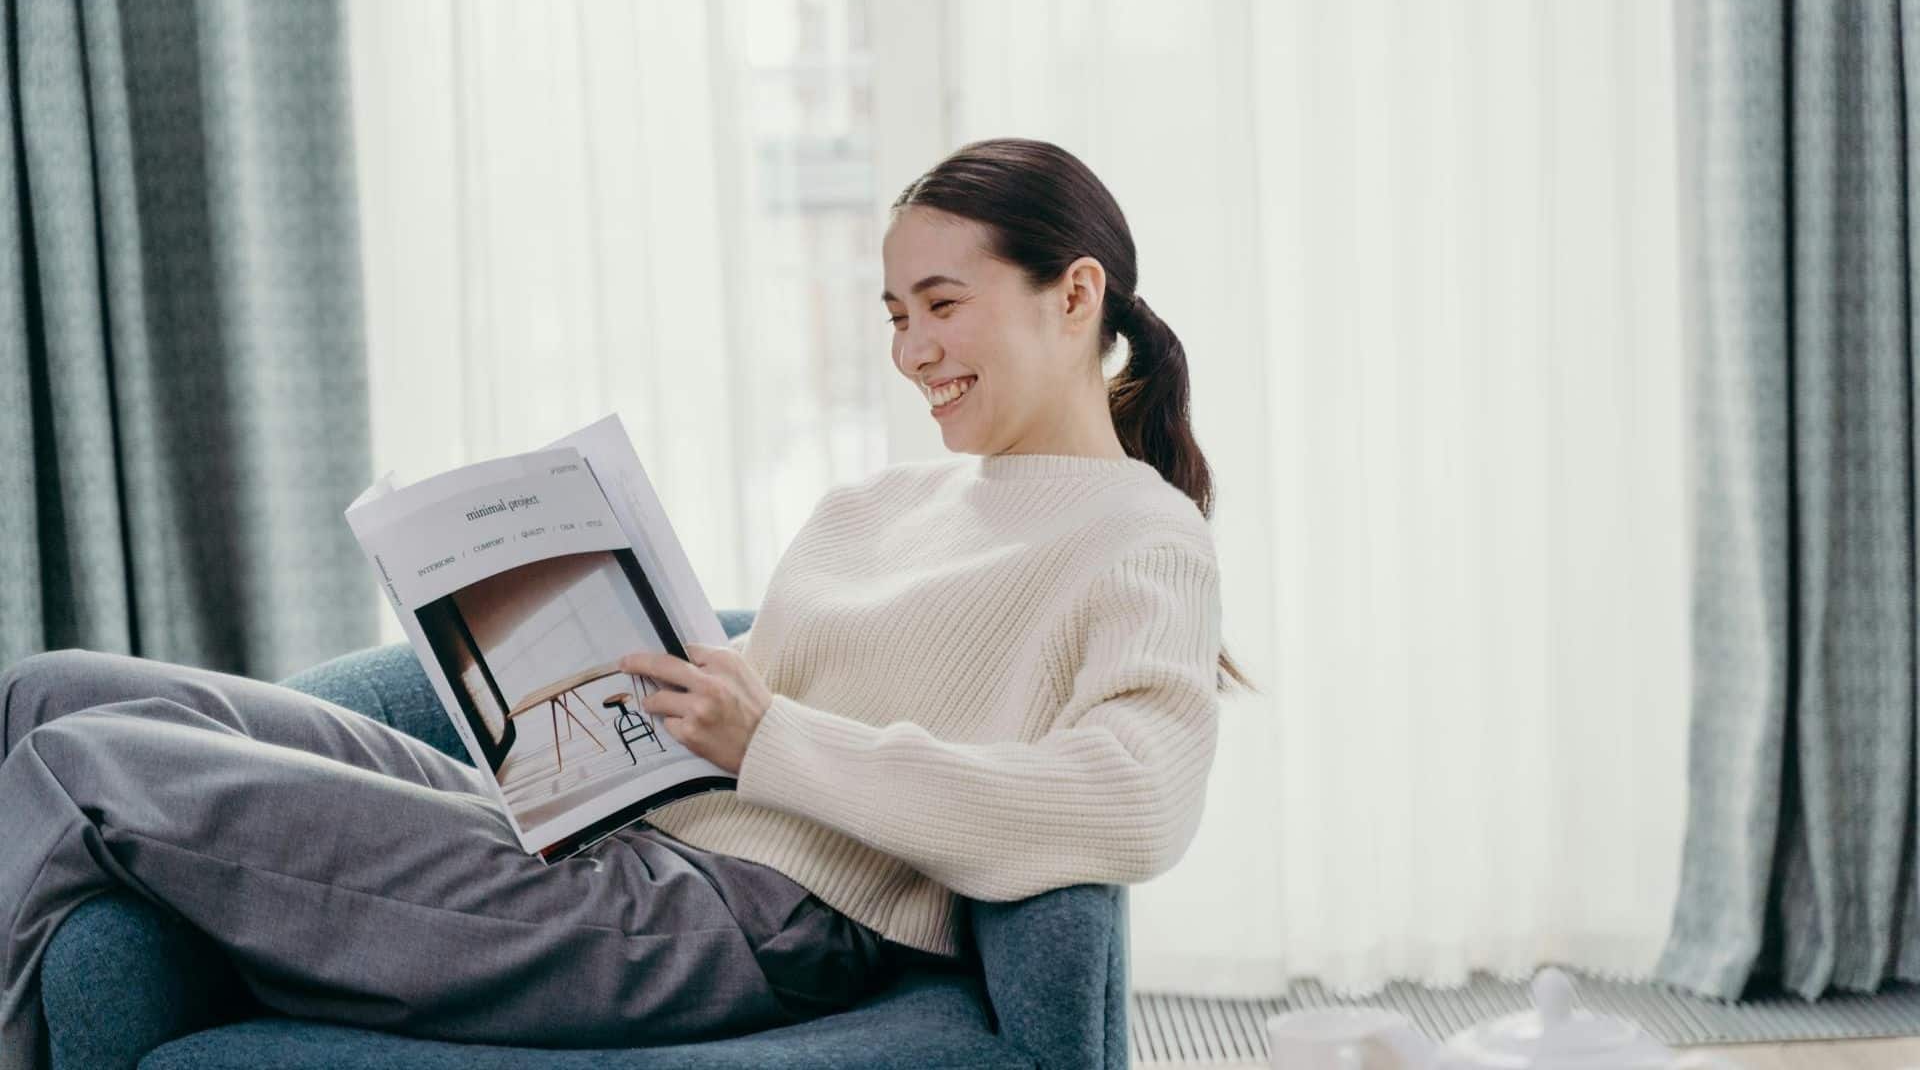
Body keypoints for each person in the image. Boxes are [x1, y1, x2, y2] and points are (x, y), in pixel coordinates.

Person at [0, 137, 1245, 1070]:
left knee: (81, 763)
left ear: (1074, 296)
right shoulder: (876, 504)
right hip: (618, 836)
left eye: (943, 305)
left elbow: (1131, 805)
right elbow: (753, 706)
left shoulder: (1139, 537)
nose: (912, 350)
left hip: (736, 921)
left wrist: (771, 741)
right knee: (48, 687)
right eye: (894, 314)